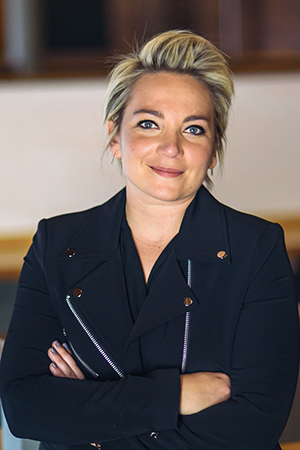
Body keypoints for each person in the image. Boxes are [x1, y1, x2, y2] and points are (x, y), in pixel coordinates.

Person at [0, 30, 299, 450]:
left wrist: (91, 411)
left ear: (213, 150)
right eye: (148, 123)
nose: (171, 147)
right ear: (115, 136)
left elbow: (254, 426)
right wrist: (177, 395)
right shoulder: (56, 242)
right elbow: (25, 407)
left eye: (194, 129)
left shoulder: (257, 248)